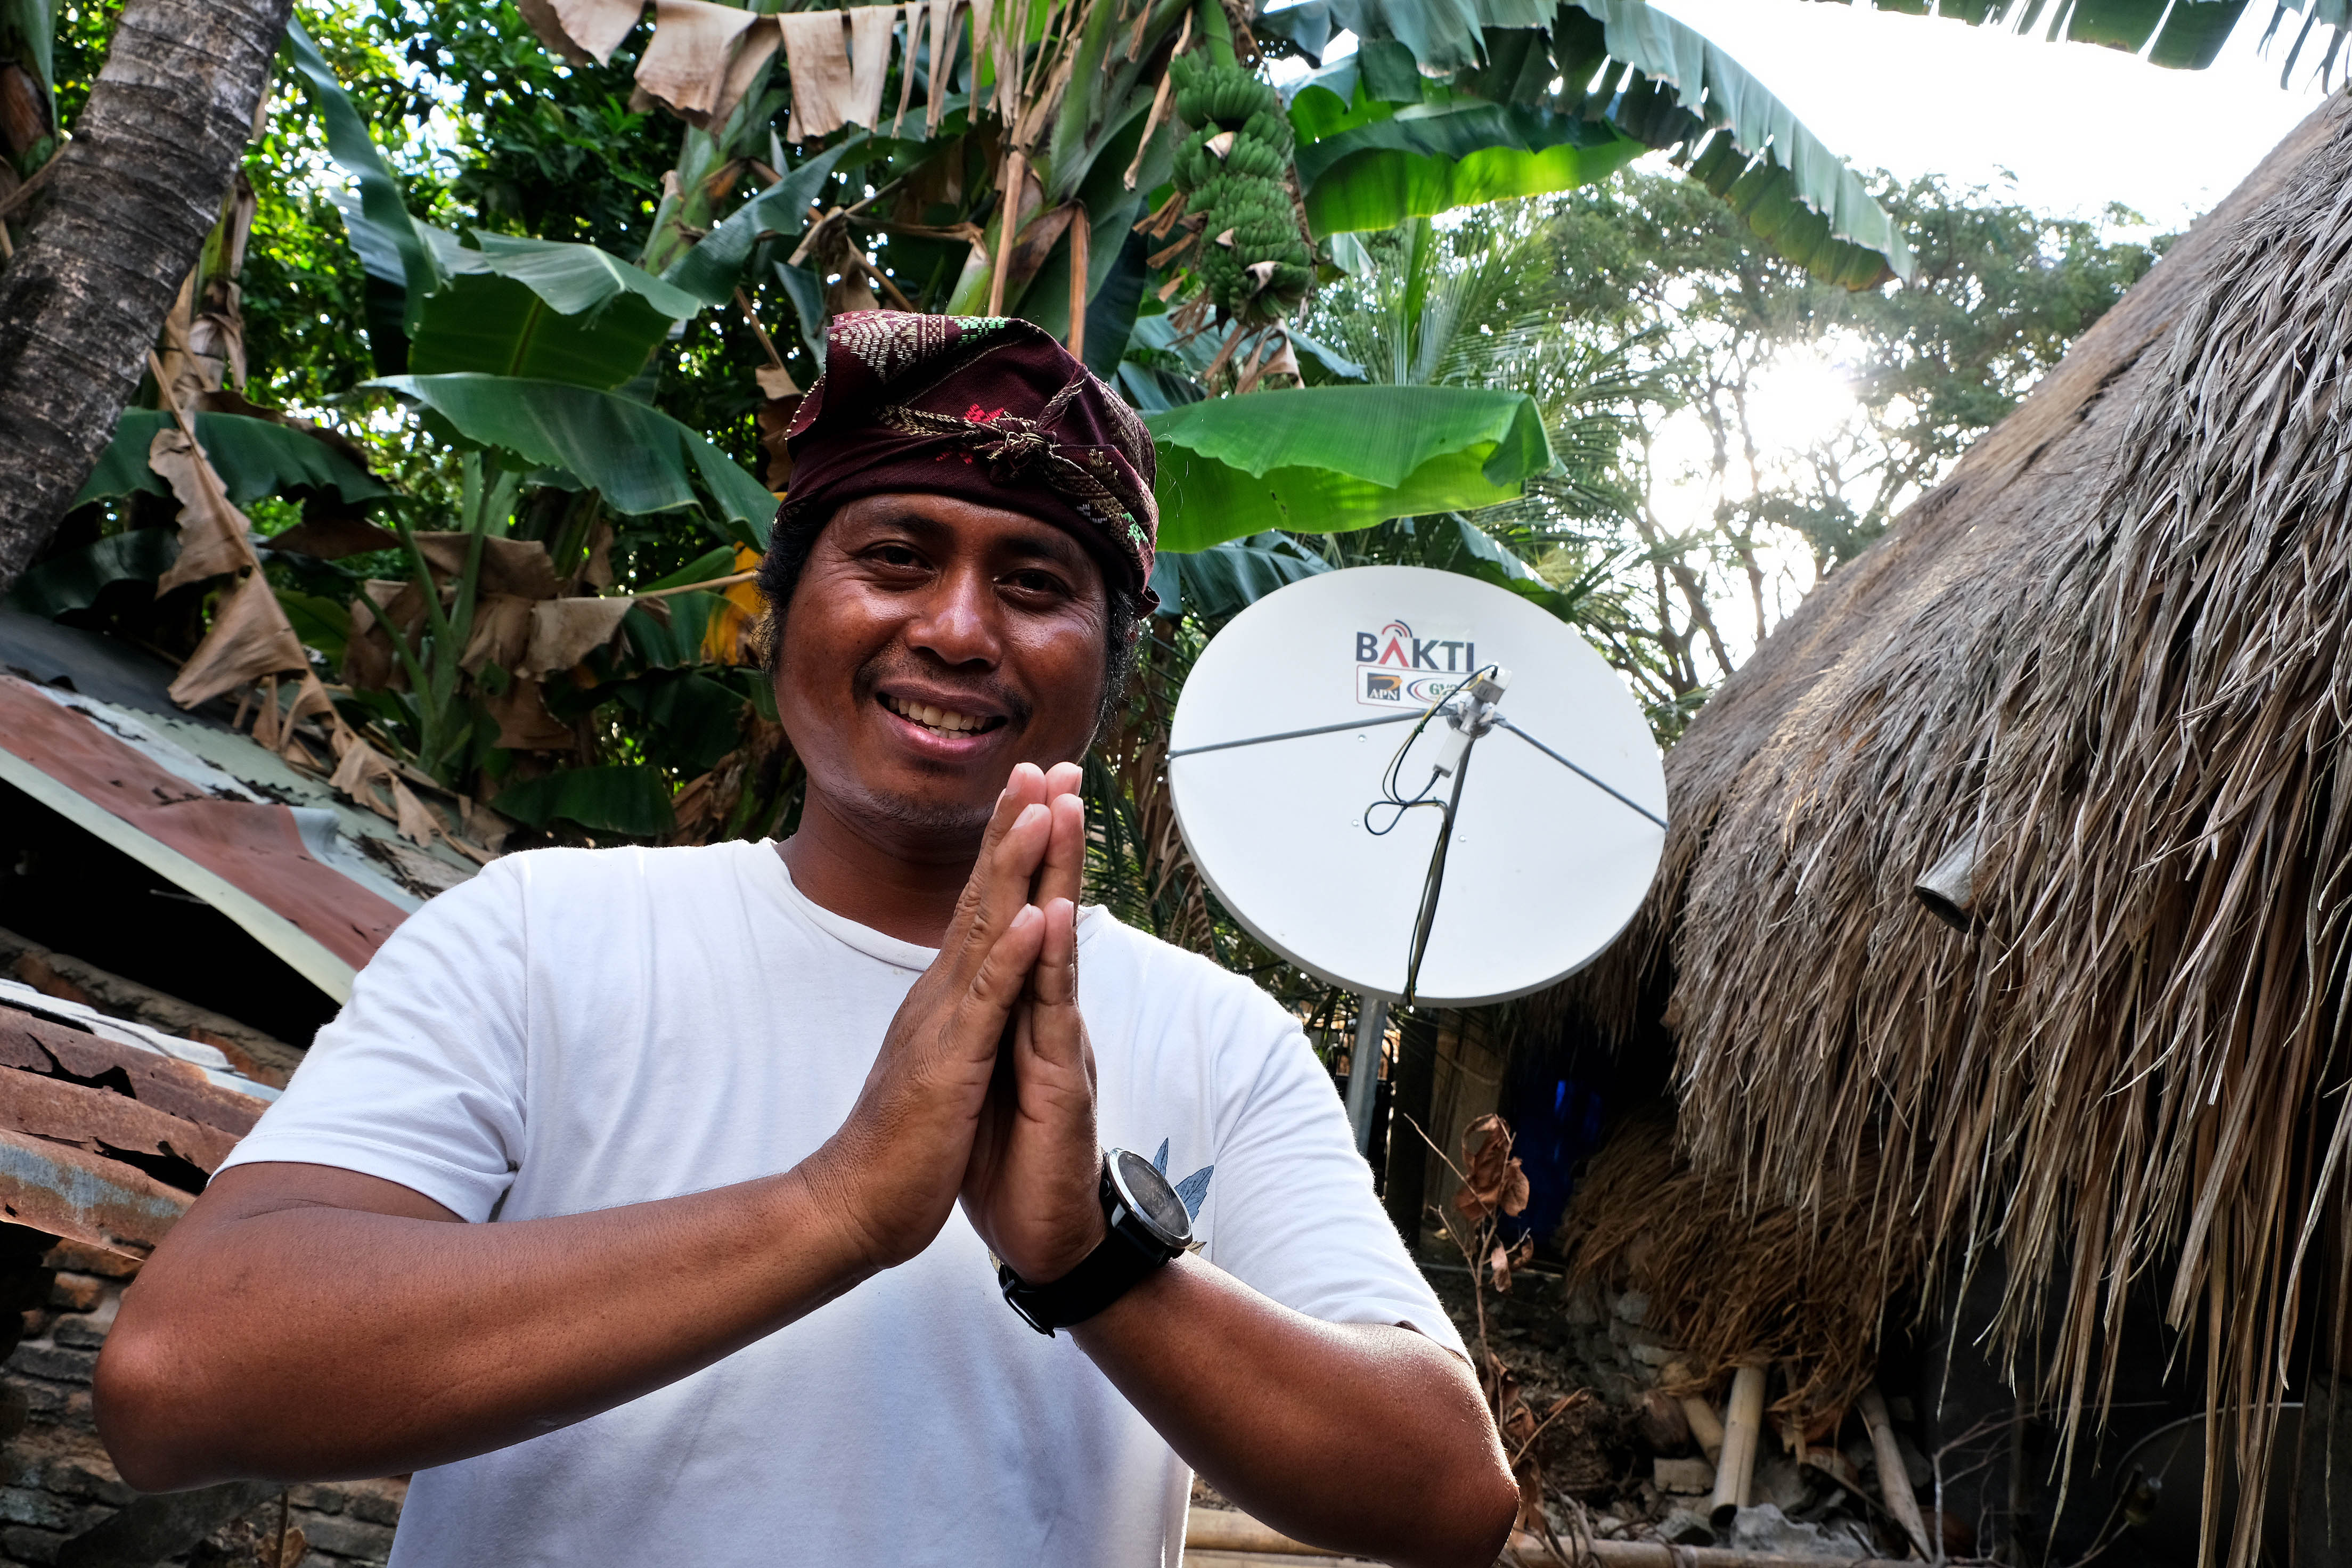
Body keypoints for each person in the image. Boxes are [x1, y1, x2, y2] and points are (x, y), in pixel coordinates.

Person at [94, 312, 1520, 1568]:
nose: (960, 630)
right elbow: (182, 1376)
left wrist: (1090, 1260)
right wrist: (834, 1208)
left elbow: (1450, 1492)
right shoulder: (540, 937)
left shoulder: (1219, 1039)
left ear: (1111, 664)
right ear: (778, 616)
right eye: (896, 556)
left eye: (1036, 584)